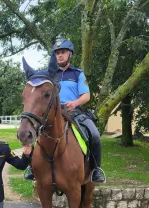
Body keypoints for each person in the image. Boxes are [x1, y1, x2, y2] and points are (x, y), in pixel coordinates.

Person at [24, 39, 105, 183]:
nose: (59, 55)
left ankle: (96, 170)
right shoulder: (48, 75)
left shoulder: (77, 74)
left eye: (63, 52)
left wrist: (75, 103)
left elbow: (86, 96)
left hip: (74, 112)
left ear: (70, 54)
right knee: (35, 131)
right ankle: (32, 167)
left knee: (95, 135)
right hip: (52, 113)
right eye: (57, 53)